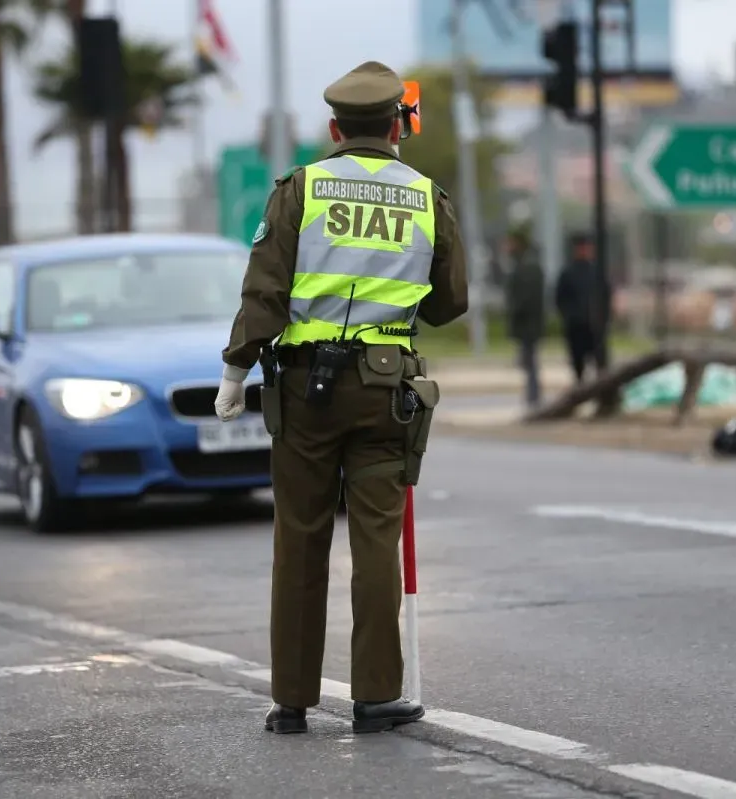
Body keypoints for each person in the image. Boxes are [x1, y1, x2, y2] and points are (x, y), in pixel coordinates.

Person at [213, 61, 468, 735]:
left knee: (299, 539)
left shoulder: (302, 189)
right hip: (385, 389)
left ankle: (292, 701)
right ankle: (376, 697)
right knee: (376, 540)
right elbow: (449, 303)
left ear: (334, 128)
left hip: (305, 392)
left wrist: (236, 370)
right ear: (396, 127)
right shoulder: (426, 196)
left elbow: (265, 292)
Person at [555, 232, 608, 382]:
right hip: (576, 326)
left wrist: (604, 319)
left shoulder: (597, 272)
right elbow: (560, 299)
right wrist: (569, 316)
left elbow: (606, 296)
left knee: (600, 365)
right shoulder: (568, 273)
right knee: (578, 365)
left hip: (595, 326)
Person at [503, 227, 545, 407]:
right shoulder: (522, 264)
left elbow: (525, 298)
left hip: (528, 324)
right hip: (527, 323)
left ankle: (533, 396)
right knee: (527, 361)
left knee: (530, 361)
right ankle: (532, 394)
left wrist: (514, 311)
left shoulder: (527, 267)